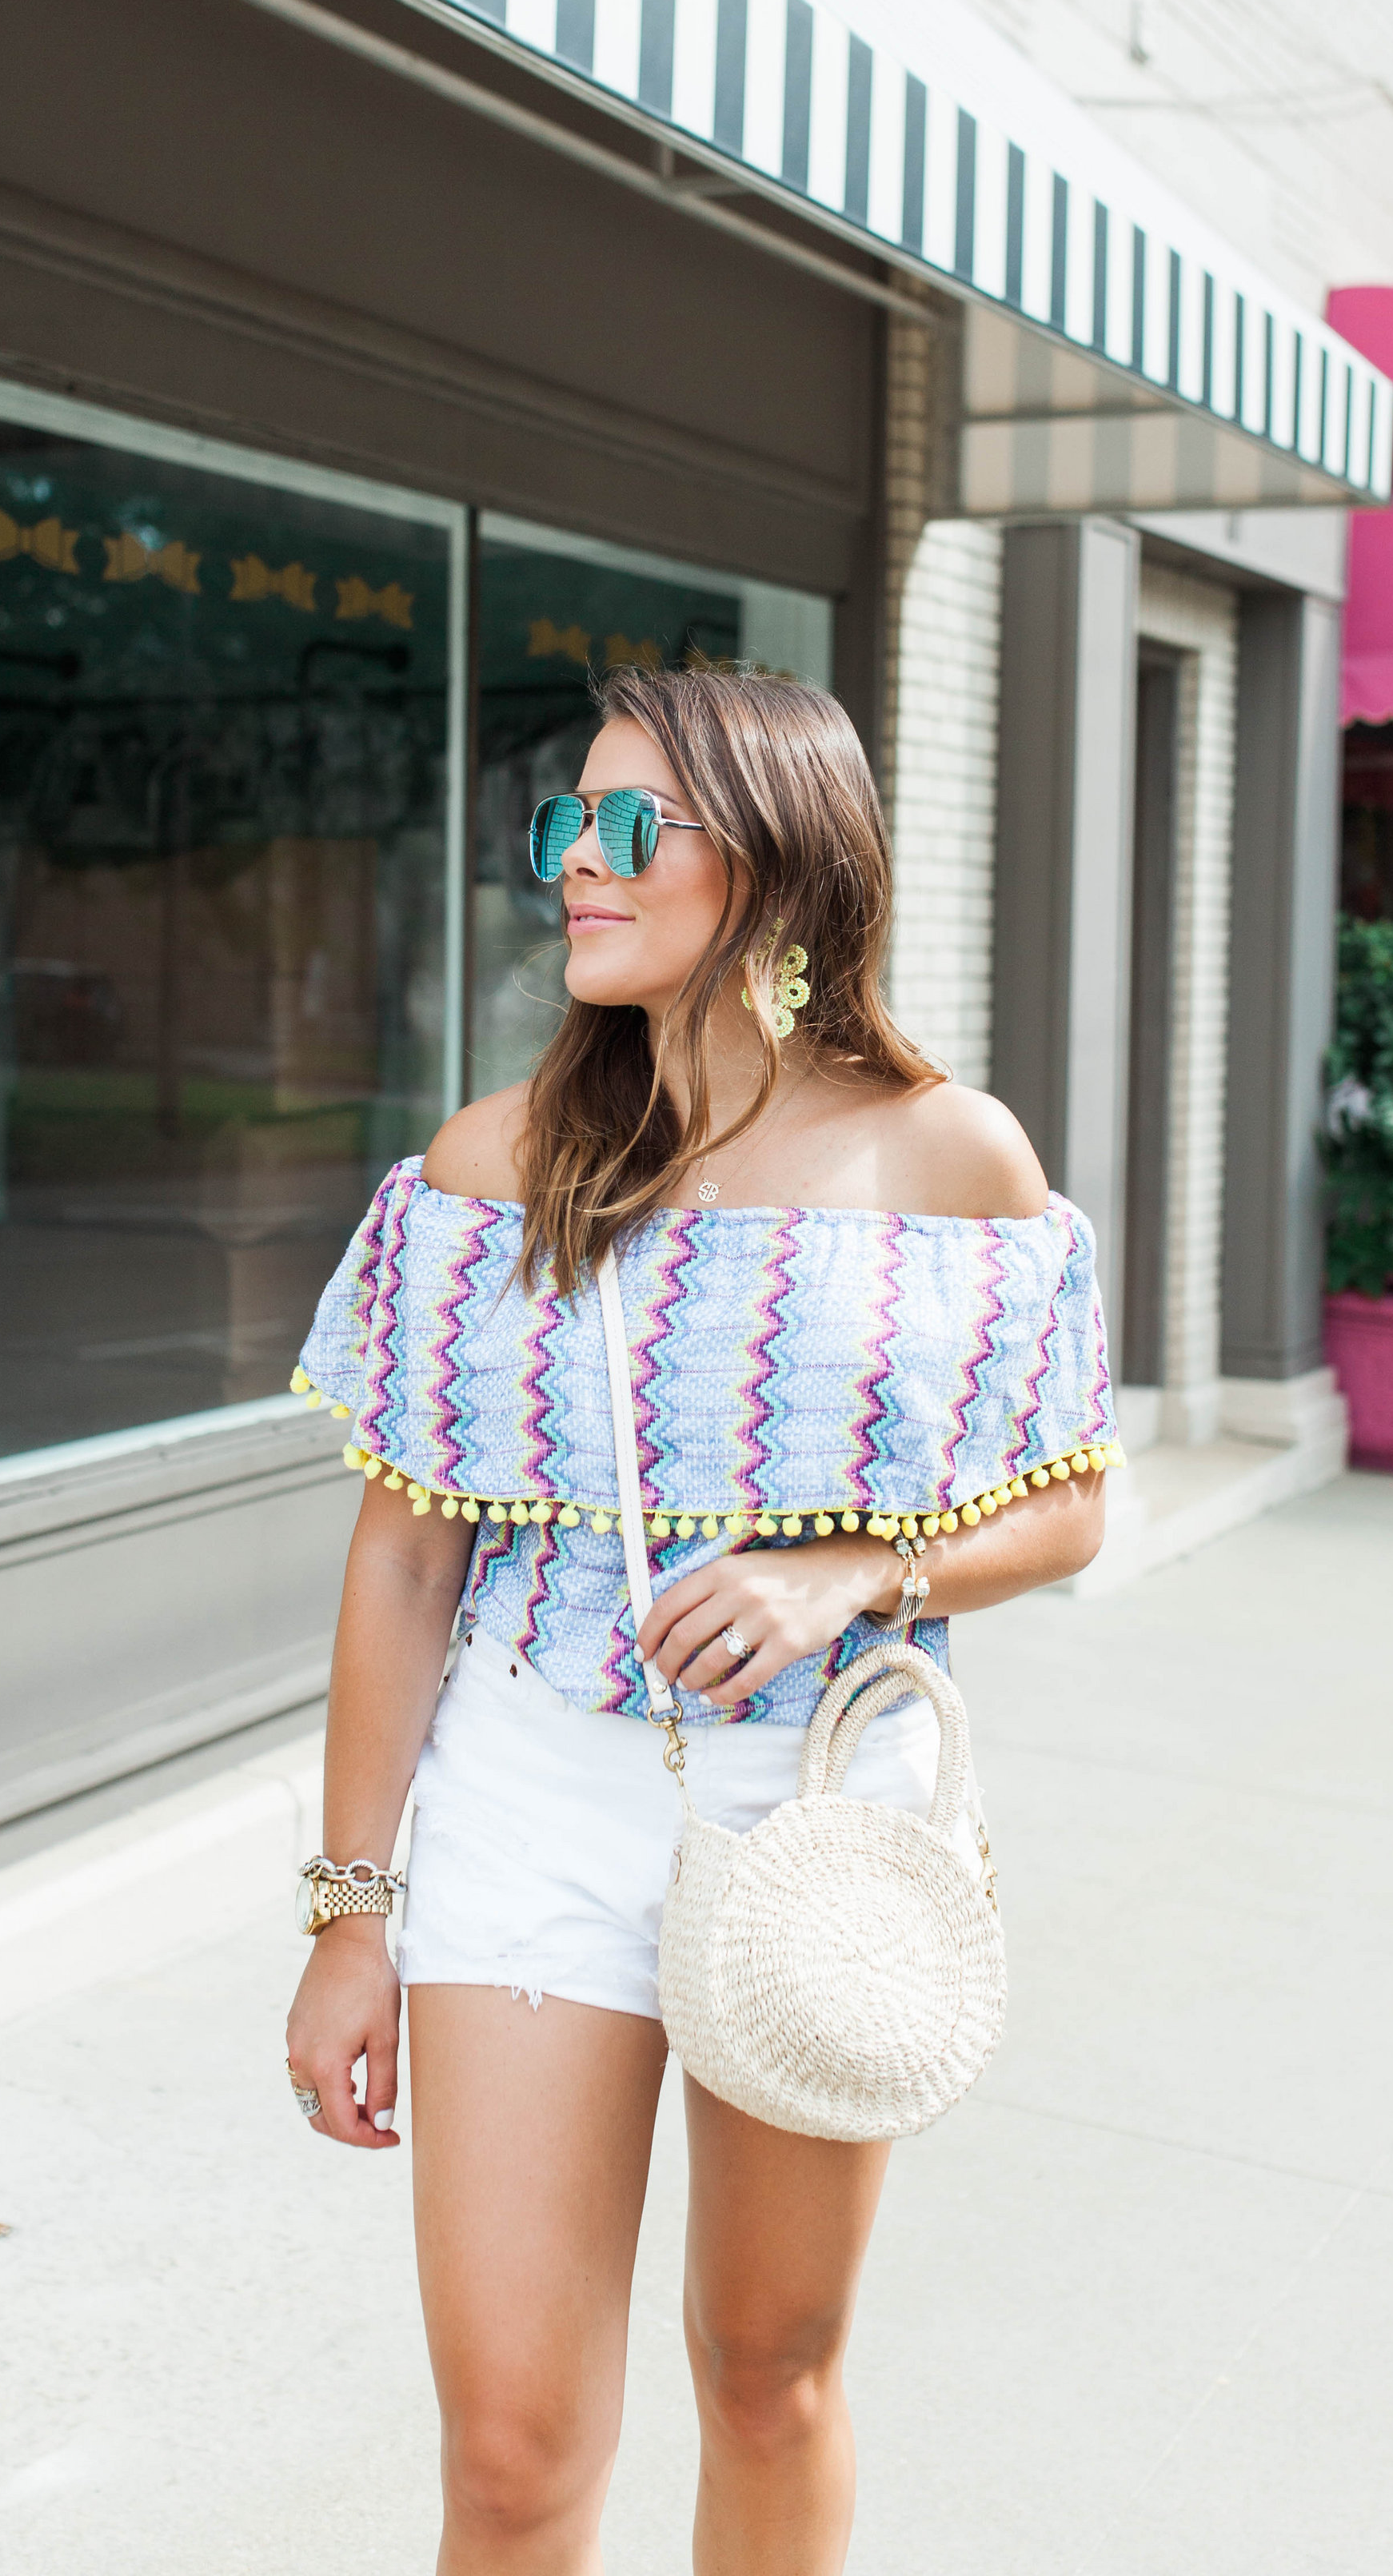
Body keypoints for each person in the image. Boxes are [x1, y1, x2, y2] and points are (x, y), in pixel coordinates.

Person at [283, 661, 1119, 2576]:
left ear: (777, 860)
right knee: (508, 2451)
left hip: (823, 1804)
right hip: (529, 1794)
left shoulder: (951, 1161)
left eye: (624, 824)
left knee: (768, 2373)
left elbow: (1065, 1498)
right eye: (560, 823)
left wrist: (851, 1566)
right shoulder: (495, 1169)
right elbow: (407, 1559)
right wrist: (348, 1911)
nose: (573, 862)